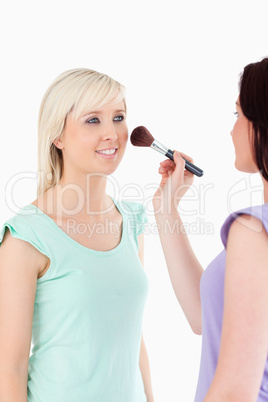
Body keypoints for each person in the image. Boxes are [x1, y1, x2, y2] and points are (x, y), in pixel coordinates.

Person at [0, 68, 154, 402]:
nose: (112, 133)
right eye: (93, 120)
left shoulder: (133, 220)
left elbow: (132, 336)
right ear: (58, 136)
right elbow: (9, 368)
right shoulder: (27, 236)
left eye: (118, 117)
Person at [153, 57, 268, 401]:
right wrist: (166, 210)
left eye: (237, 115)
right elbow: (206, 318)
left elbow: (234, 391)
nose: (231, 130)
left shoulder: (253, 230)